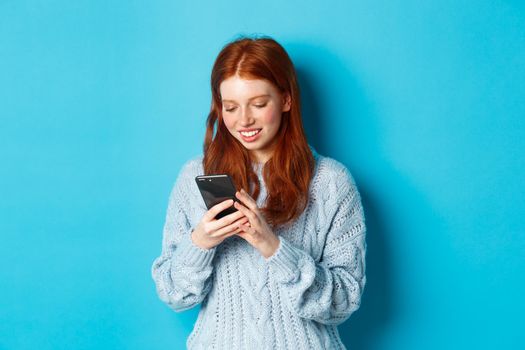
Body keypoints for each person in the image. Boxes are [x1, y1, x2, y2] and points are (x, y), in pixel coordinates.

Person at [151, 35, 367, 350]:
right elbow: (173, 294)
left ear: (286, 100)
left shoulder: (332, 182)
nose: (244, 120)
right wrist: (201, 242)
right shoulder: (195, 177)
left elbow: (344, 301)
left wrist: (273, 247)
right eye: (231, 107)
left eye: (259, 104)